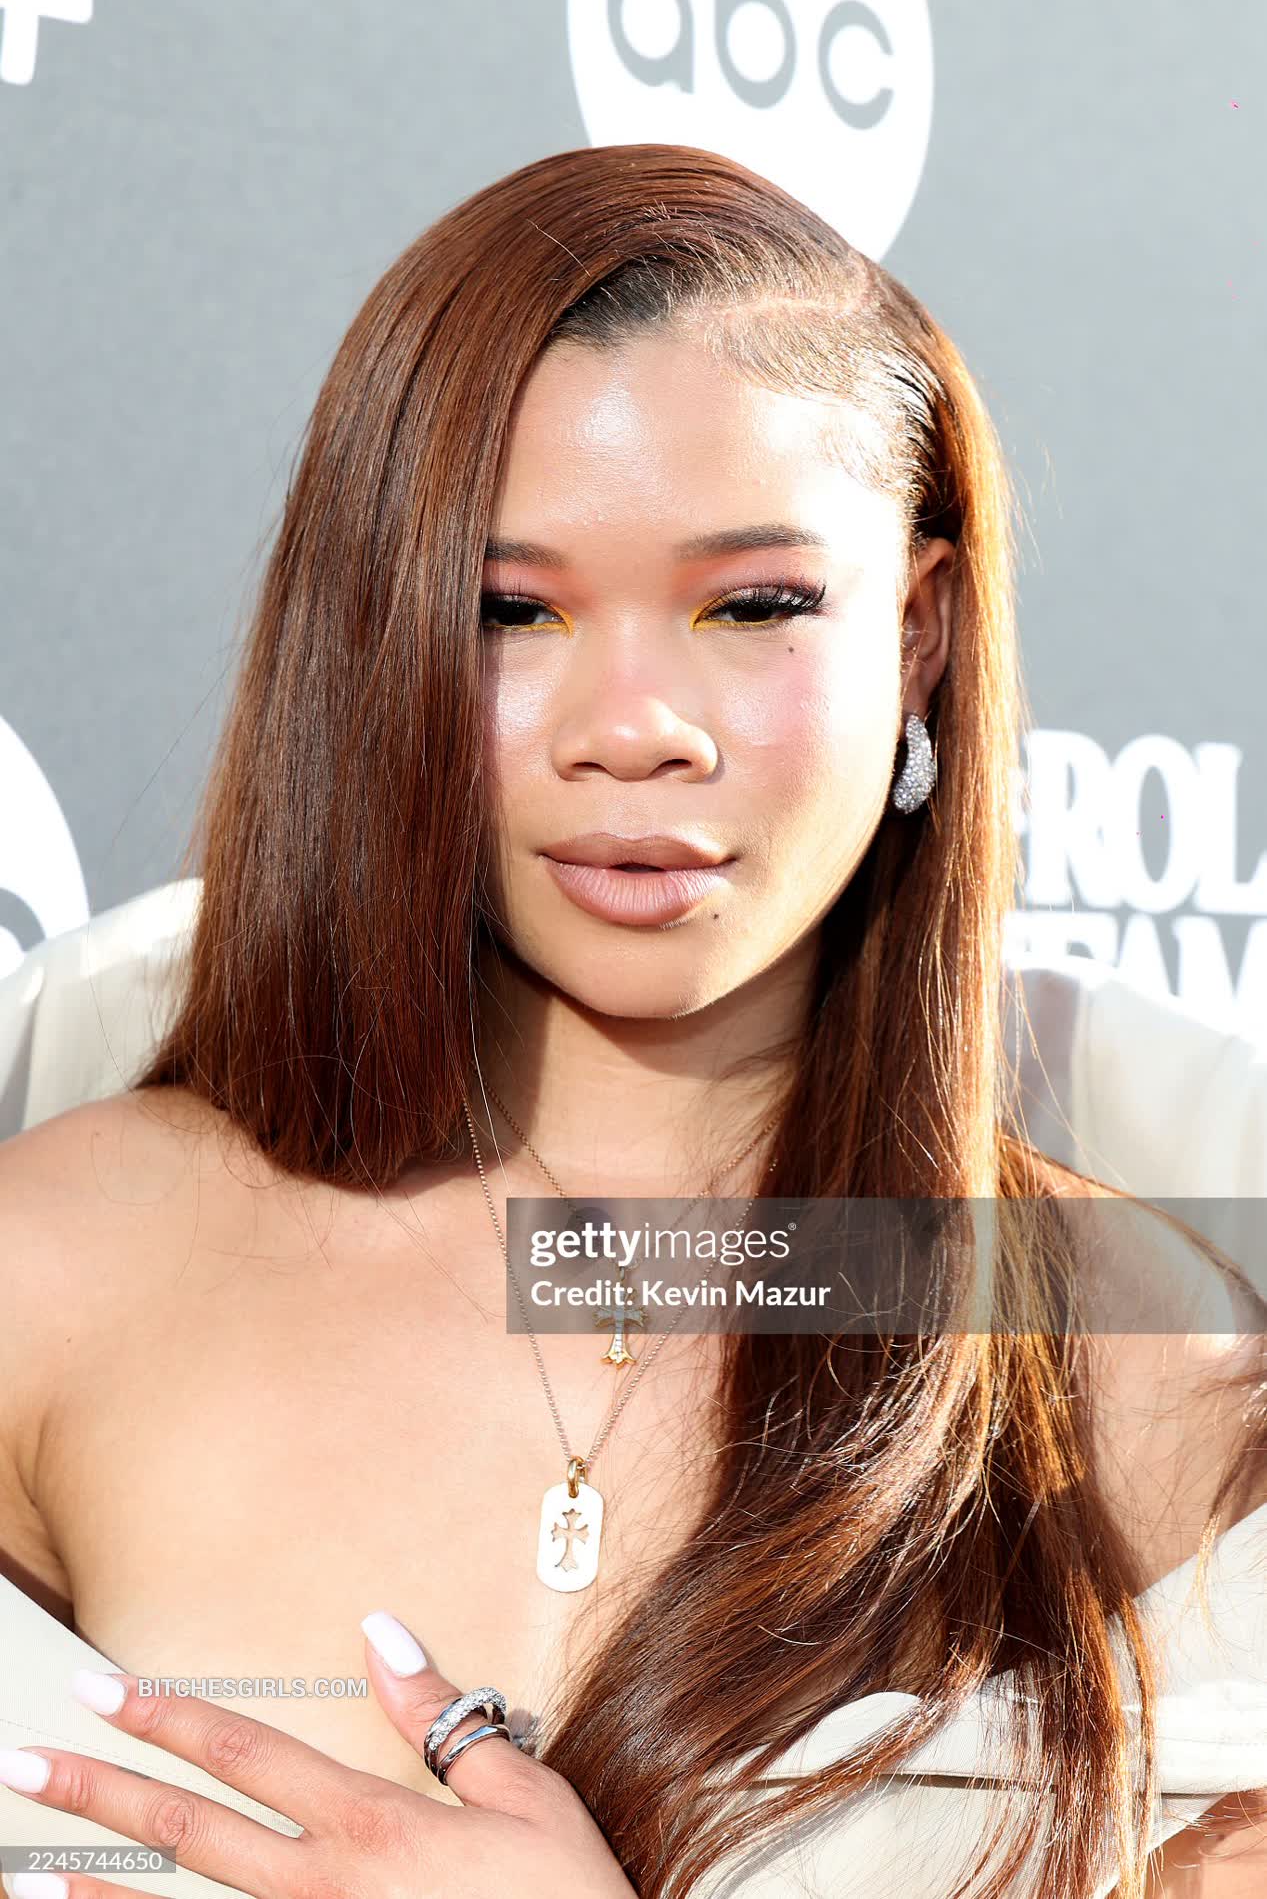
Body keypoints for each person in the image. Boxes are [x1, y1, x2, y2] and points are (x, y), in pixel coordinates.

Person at [1, 141, 1266, 1899]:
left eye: (753, 606)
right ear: (372, 640)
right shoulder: (63, 1266)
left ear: (919, 635)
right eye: (509, 611)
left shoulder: (1144, 1376)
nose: (633, 728)